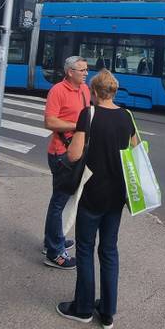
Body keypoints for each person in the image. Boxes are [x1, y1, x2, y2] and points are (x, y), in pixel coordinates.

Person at [56, 69, 138, 329]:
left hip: (92, 194)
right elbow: (136, 152)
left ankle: (82, 309)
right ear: (113, 91)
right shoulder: (126, 116)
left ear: (93, 92)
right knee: (109, 250)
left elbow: (74, 154)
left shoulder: (88, 114)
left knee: (84, 249)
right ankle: (107, 312)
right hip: (116, 197)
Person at [42, 55, 91, 269]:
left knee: (63, 199)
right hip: (61, 154)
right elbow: (49, 122)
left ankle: (51, 240)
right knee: (59, 202)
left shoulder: (85, 90)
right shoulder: (58, 91)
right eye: (81, 70)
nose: (86, 73)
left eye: (86, 69)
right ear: (69, 72)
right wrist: (78, 126)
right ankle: (54, 252)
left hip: (76, 152)